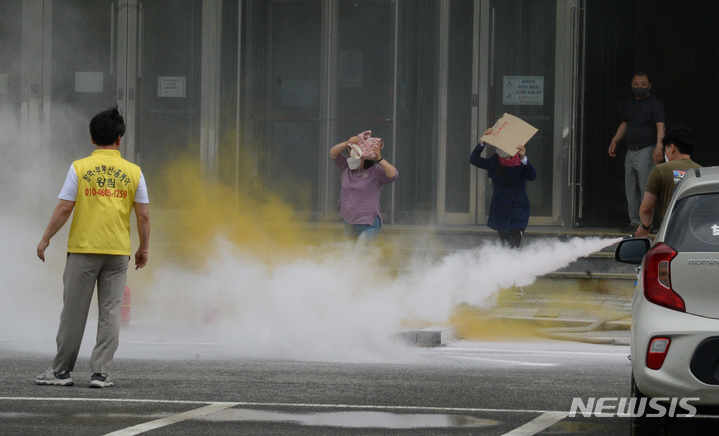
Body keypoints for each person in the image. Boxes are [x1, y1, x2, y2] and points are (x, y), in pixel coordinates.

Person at [35, 107, 151, 388]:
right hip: (117, 251)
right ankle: (101, 373)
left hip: (84, 250)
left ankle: (61, 371)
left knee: (74, 311)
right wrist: (143, 249)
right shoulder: (134, 172)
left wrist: (46, 238)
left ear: (92, 139)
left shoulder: (80, 167)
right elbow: (143, 215)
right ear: (119, 139)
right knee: (110, 312)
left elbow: (65, 207)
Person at [609, 72, 666, 232]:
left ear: (649, 85)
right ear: (631, 85)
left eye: (643, 84)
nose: (639, 87)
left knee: (646, 189)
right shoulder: (630, 103)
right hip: (630, 151)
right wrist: (615, 140)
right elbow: (624, 124)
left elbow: (660, 126)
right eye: (636, 84)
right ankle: (634, 222)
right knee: (630, 188)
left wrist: (659, 147)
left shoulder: (655, 104)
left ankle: (646, 224)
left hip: (646, 151)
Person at [470, 128, 536, 248]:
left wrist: (524, 159)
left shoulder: (521, 162)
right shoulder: (494, 161)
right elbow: (474, 159)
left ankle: (513, 262)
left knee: (514, 239)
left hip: (518, 205)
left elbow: (532, 176)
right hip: (501, 204)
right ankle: (505, 263)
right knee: (503, 239)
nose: (504, 157)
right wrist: (482, 142)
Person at [330, 132, 398, 243]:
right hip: (349, 223)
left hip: (368, 224)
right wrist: (347, 143)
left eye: (354, 155)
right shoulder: (345, 168)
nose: (350, 158)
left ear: (365, 157)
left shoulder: (375, 171)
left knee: (361, 253)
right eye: (348, 154)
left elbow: (393, 174)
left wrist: (379, 159)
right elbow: (333, 153)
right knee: (351, 255)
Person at [634, 126, 701, 237]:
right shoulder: (702, 171)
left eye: (665, 149)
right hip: (697, 236)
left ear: (672, 148)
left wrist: (645, 227)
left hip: (671, 238)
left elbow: (646, 209)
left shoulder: (660, 170)